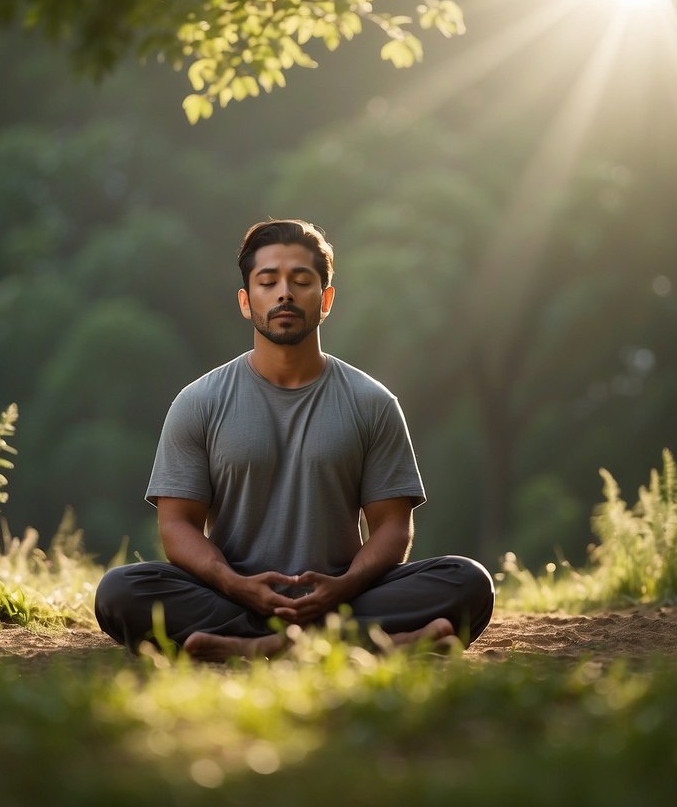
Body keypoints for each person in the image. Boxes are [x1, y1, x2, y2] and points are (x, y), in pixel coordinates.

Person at [94, 219, 494, 660]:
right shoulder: (198, 401)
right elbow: (176, 525)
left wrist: (342, 587)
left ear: (325, 301)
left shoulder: (372, 401)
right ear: (246, 302)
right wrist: (235, 584)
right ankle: (351, 644)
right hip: (231, 595)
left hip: (345, 596)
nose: (285, 292)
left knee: (467, 581)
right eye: (268, 282)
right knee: (120, 591)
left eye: (301, 281)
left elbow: (392, 527)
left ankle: (256, 647)